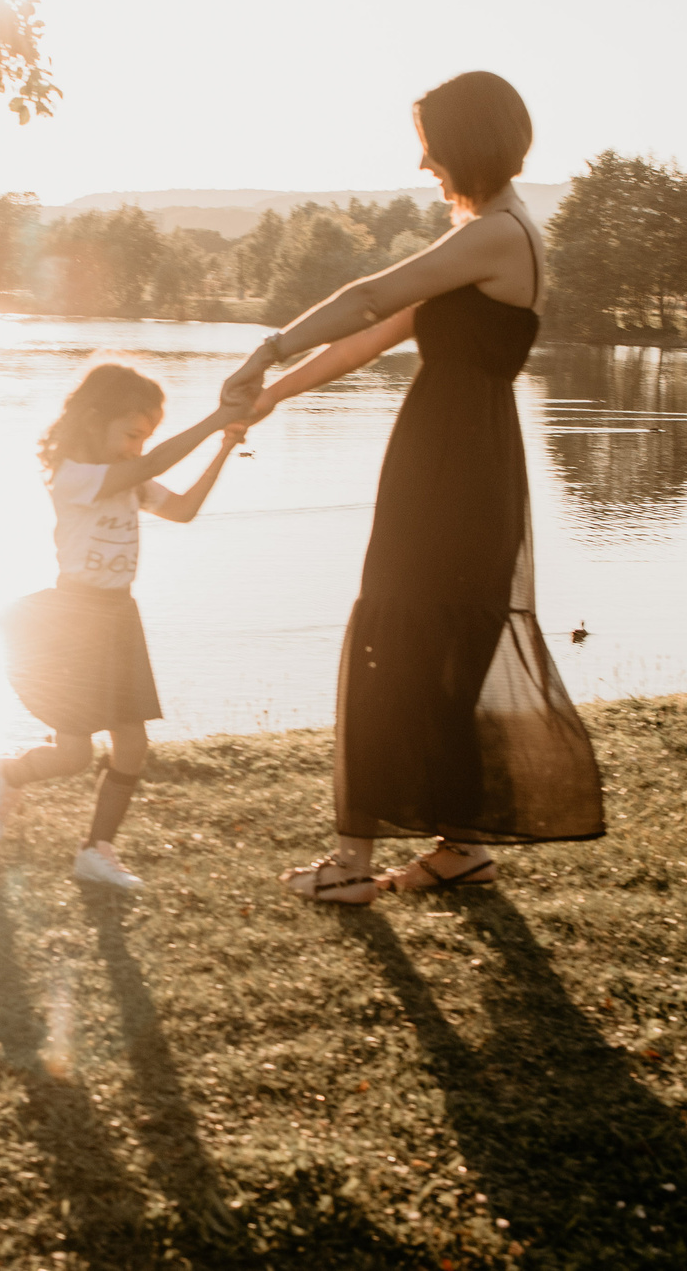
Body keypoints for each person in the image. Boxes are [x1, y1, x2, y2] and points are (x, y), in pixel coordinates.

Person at [223, 70, 606, 903]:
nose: (424, 162)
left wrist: (268, 346)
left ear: (468, 144)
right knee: (437, 642)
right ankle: (459, 847)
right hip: (458, 453)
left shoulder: (498, 234)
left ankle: (351, 864)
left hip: (453, 462)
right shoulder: (486, 233)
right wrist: (273, 394)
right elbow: (378, 334)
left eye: (432, 146)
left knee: (394, 639)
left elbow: (369, 298)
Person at [0, 362, 250, 890]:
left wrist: (223, 447)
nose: (137, 448)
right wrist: (217, 418)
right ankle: (6, 773)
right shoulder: (75, 477)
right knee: (73, 755)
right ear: (94, 420)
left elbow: (184, 510)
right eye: (131, 434)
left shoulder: (130, 481)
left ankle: (96, 850)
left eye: (145, 438)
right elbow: (150, 465)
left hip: (121, 617)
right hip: (75, 619)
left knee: (132, 743)